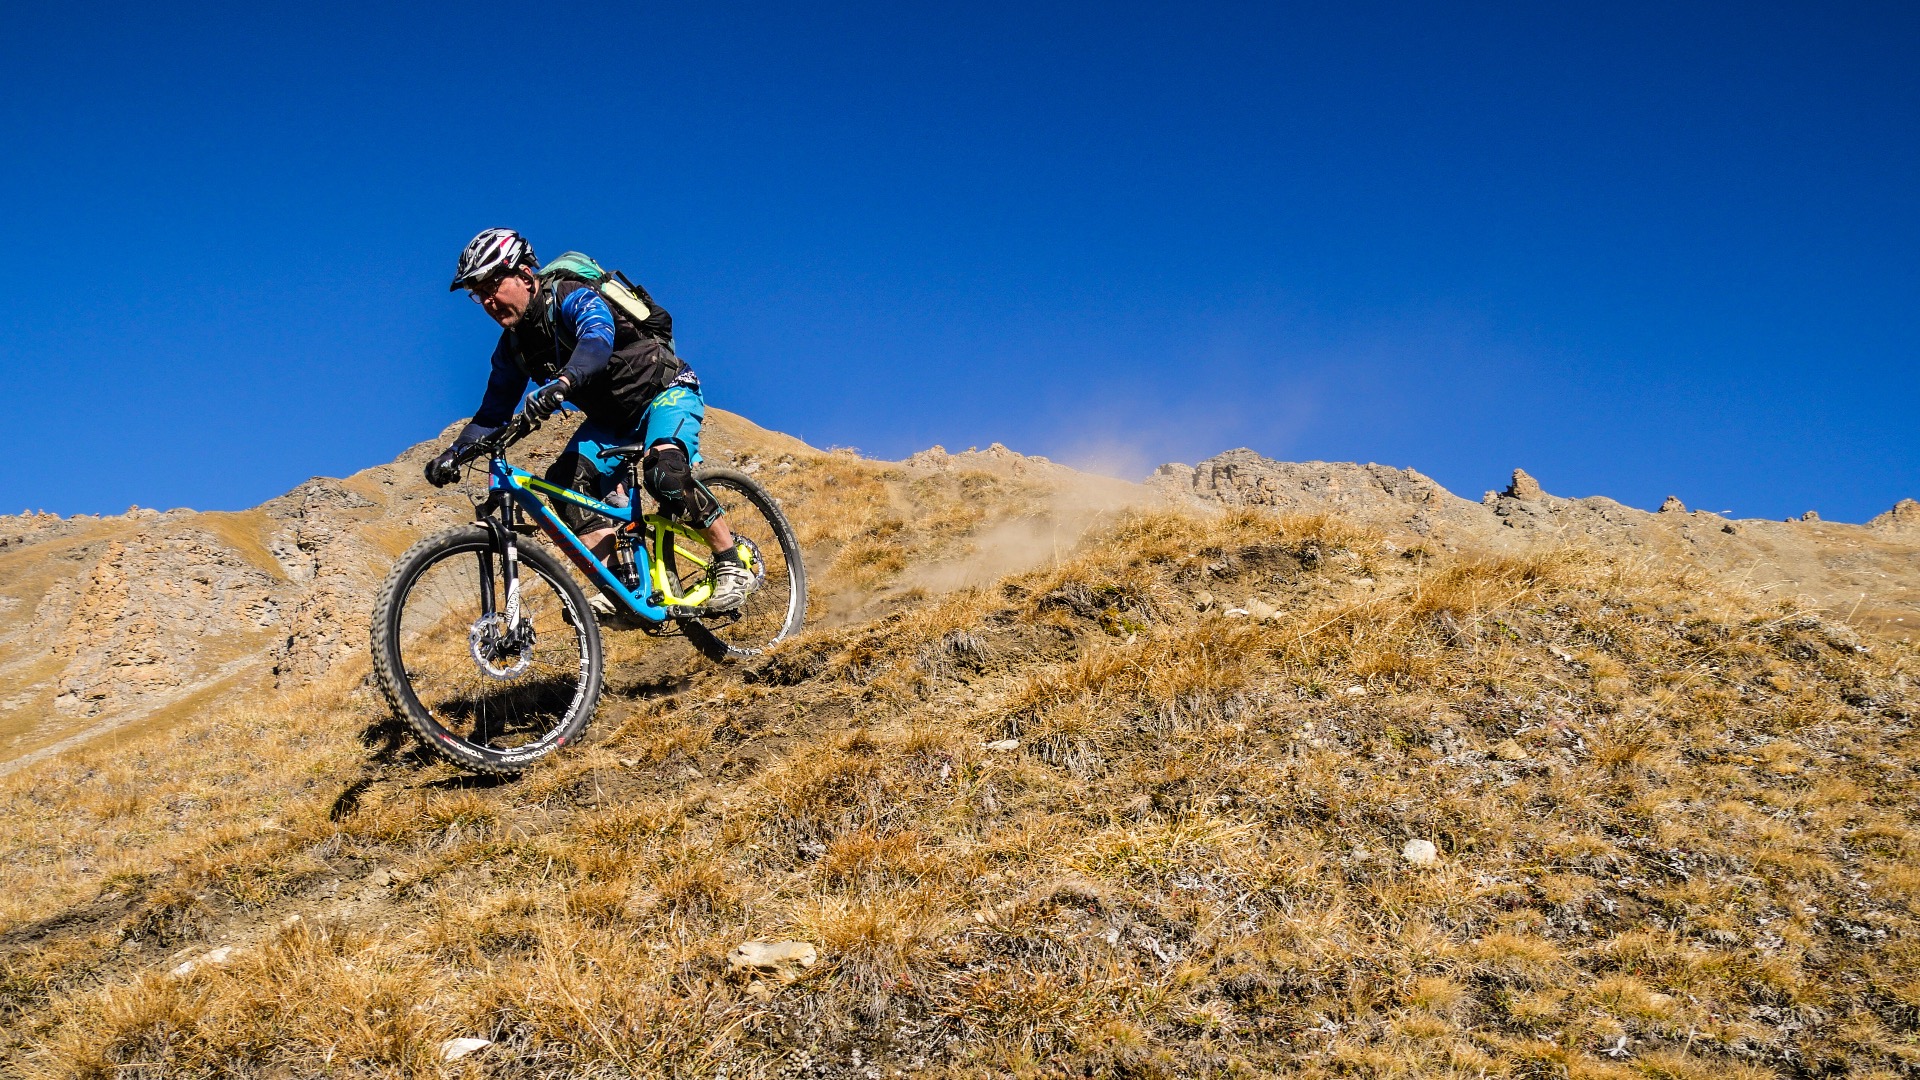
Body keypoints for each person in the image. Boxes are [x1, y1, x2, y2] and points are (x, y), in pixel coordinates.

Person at [425, 228, 755, 615]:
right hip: (611, 420)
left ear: (526, 275)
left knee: (664, 472)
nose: (487, 300)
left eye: (492, 285)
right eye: (478, 294)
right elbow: (492, 414)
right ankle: (624, 587)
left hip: (664, 391)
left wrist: (564, 382)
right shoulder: (514, 348)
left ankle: (732, 560)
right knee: (564, 483)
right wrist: (454, 453)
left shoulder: (570, 295)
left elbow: (597, 338)